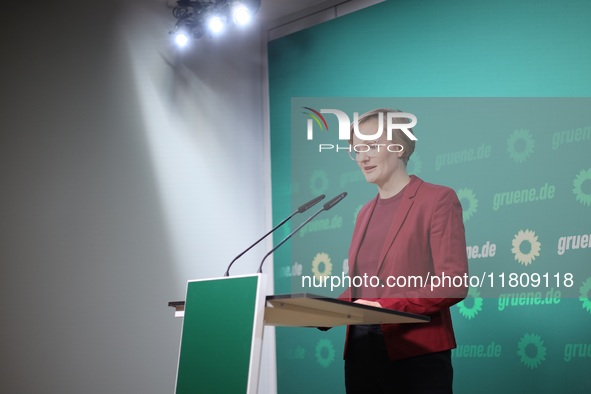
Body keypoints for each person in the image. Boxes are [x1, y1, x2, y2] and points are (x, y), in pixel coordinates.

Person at [339, 108, 468, 393]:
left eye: (371, 146)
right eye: (357, 150)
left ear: (400, 147)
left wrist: (387, 306)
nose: (362, 157)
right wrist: (325, 310)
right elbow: (363, 290)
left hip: (415, 354)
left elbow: (453, 284)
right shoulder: (363, 213)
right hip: (361, 352)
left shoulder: (437, 199)